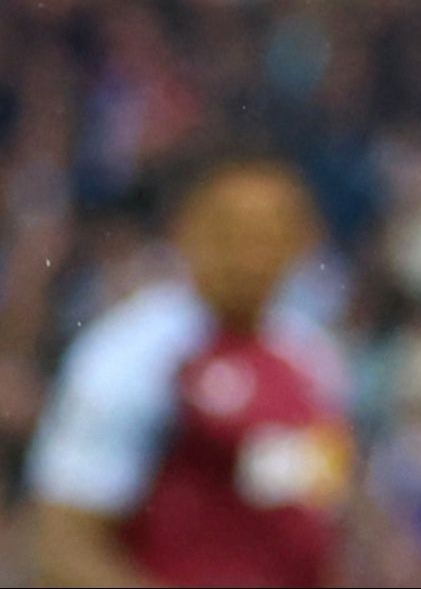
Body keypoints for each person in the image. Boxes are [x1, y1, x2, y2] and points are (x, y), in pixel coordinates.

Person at [26, 152, 351, 587]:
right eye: (231, 232)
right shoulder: (128, 358)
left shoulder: (314, 362)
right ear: (186, 230)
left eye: (272, 233)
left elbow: (311, 514)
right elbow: (63, 540)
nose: (252, 254)